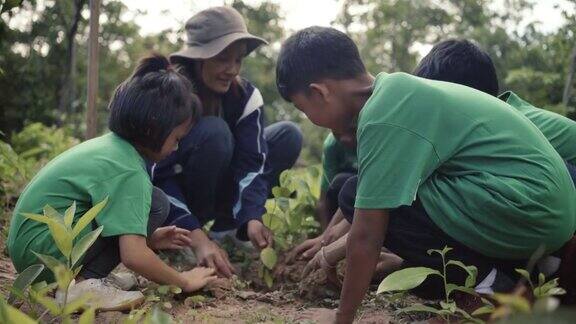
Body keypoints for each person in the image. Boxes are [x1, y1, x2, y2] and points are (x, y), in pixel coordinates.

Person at [276, 26, 576, 323]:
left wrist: (341, 317)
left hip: (526, 205)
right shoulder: (395, 94)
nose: (310, 120)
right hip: (541, 210)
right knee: (383, 215)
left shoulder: (384, 115)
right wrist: (334, 251)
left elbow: (368, 234)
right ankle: (506, 283)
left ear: (319, 93)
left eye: (304, 110)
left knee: (355, 194)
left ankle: (494, 292)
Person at [7, 54, 217, 311]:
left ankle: (89, 277)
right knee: (154, 202)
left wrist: (148, 238)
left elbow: (114, 220)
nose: (177, 146)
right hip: (43, 251)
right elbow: (133, 256)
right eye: (176, 138)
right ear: (154, 129)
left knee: (156, 201)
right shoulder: (128, 171)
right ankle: (82, 285)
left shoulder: (113, 149)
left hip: (32, 247)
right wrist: (184, 280)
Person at [152, 7, 302, 277]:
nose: (232, 70)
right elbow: (158, 175)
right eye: (222, 58)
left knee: (287, 136)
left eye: (238, 60)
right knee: (215, 132)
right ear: (199, 59)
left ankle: (227, 228)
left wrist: (252, 216)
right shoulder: (170, 95)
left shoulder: (245, 96)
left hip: (222, 189)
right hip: (182, 190)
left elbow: (252, 163)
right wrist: (196, 238)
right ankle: (189, 234)